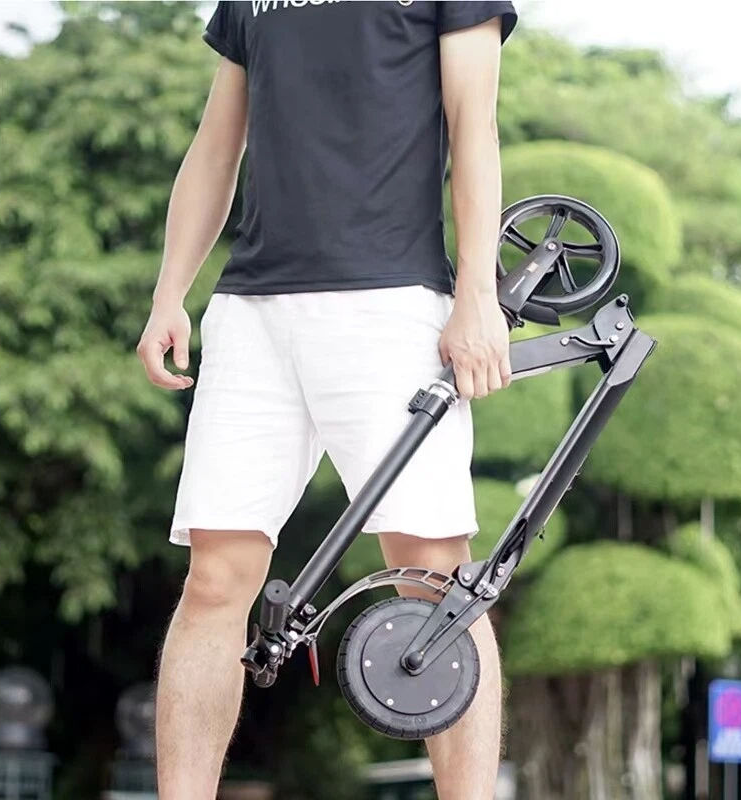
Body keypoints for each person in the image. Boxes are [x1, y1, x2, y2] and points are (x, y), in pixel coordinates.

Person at [136, 2, 518, 797]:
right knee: (214, 579)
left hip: (391, 306)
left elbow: (474, 125)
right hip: (252, 311)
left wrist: (477, 295)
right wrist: (171, 291)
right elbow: (217, 144)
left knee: (435, 579)